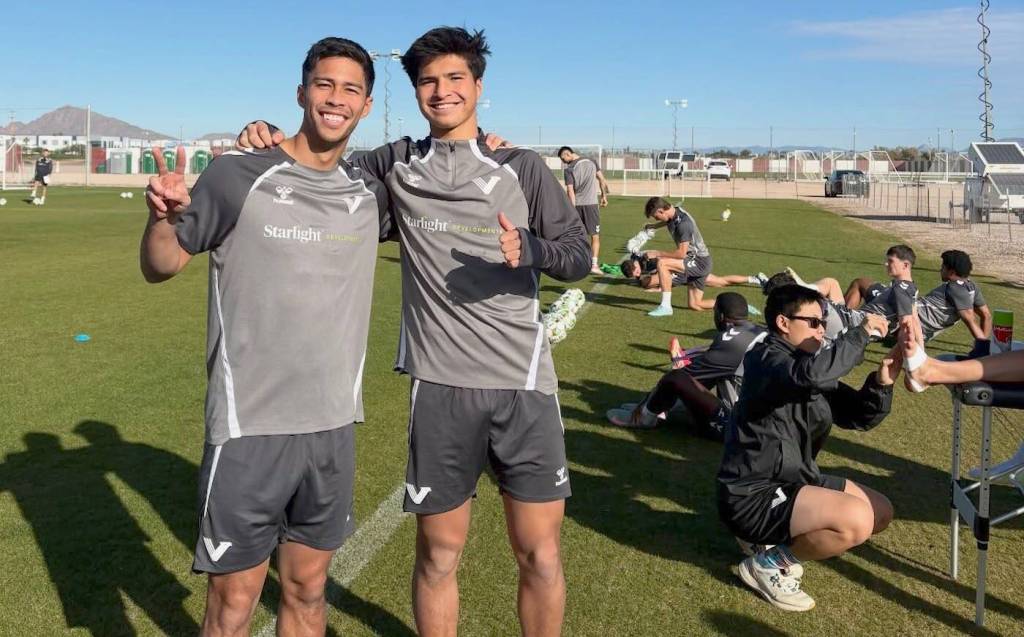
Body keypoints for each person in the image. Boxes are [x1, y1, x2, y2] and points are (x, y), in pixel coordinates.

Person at [236, 27, 590, 637]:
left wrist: (530, 248)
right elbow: (318, 161)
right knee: (438, 557)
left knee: (539, 554)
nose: (441, 90)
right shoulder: (395, 165)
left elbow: (577, 254)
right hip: (440, 390)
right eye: (428, 80)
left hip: (524, 386)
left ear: (478, 86)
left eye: (455, 79)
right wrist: (265, 140)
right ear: (416, 92)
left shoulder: (521, 167)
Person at [140, 37, 389, 636]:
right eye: (324, 85)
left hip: (332, 427)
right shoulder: (238, 173)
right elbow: (162, 265)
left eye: (351, 89)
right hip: (248, 426)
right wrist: (161, 219)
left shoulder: (368, 192)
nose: (336, 99)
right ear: (301, 92)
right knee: (233, 604)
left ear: (367, 104)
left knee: (306, 591)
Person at [717, 285, 900, 612]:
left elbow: (859, 416)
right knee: (856, 520)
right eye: (814, 322)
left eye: (824, 321)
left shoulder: (808, 366)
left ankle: (767, 540)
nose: (822, 329)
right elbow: (809, 377)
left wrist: (881, 383)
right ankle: (770, 563)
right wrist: (860, 334)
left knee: (880, 512)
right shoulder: (765, 361)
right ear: (783, 323)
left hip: (793, 481)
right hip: (752, 494)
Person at [606, 292, 766, 440]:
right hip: (772, 427)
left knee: (675, 378)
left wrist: (646, 404)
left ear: (721, 316)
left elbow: (683, 377)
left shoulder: (730, 341)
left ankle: (644, 417)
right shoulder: (760, 331)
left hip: (741, 430)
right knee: (711, 373)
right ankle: (659, 408)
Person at [641, 197, 730, 317]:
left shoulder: (684, 224)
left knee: (662, 263)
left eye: (656, 216)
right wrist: (654, 226)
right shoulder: (674, 212)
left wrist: (657, 253)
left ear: (662, 210)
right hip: (698, 260)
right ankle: (731, 306)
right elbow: (668, 220)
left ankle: (666, 306)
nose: (656, 218)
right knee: (695, 304)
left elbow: (680, 254)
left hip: (699, 261)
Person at [558, 146, 609, 274]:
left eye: (564, 159)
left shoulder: (569, 169)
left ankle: (576, 263)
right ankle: (594, 265)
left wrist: (572, 209)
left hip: (578, 205)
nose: (564, 162)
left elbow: (570, 191)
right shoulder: (592, 161)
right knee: (595, 236)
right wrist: (604, 195)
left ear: (568, 154)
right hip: (591, 205)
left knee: (577, 236)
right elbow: (602, 179)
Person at [620, 255, 766, 297]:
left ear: (636, 266)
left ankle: (756, 279)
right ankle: (755, 278)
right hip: (684, 273)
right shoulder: (638, 265)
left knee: (719, 282)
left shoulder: (649, 260)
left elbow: (669, 268)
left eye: (637, 273)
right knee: (721, 282)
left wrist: (660, 288)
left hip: (686, 271)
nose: (637, 276)